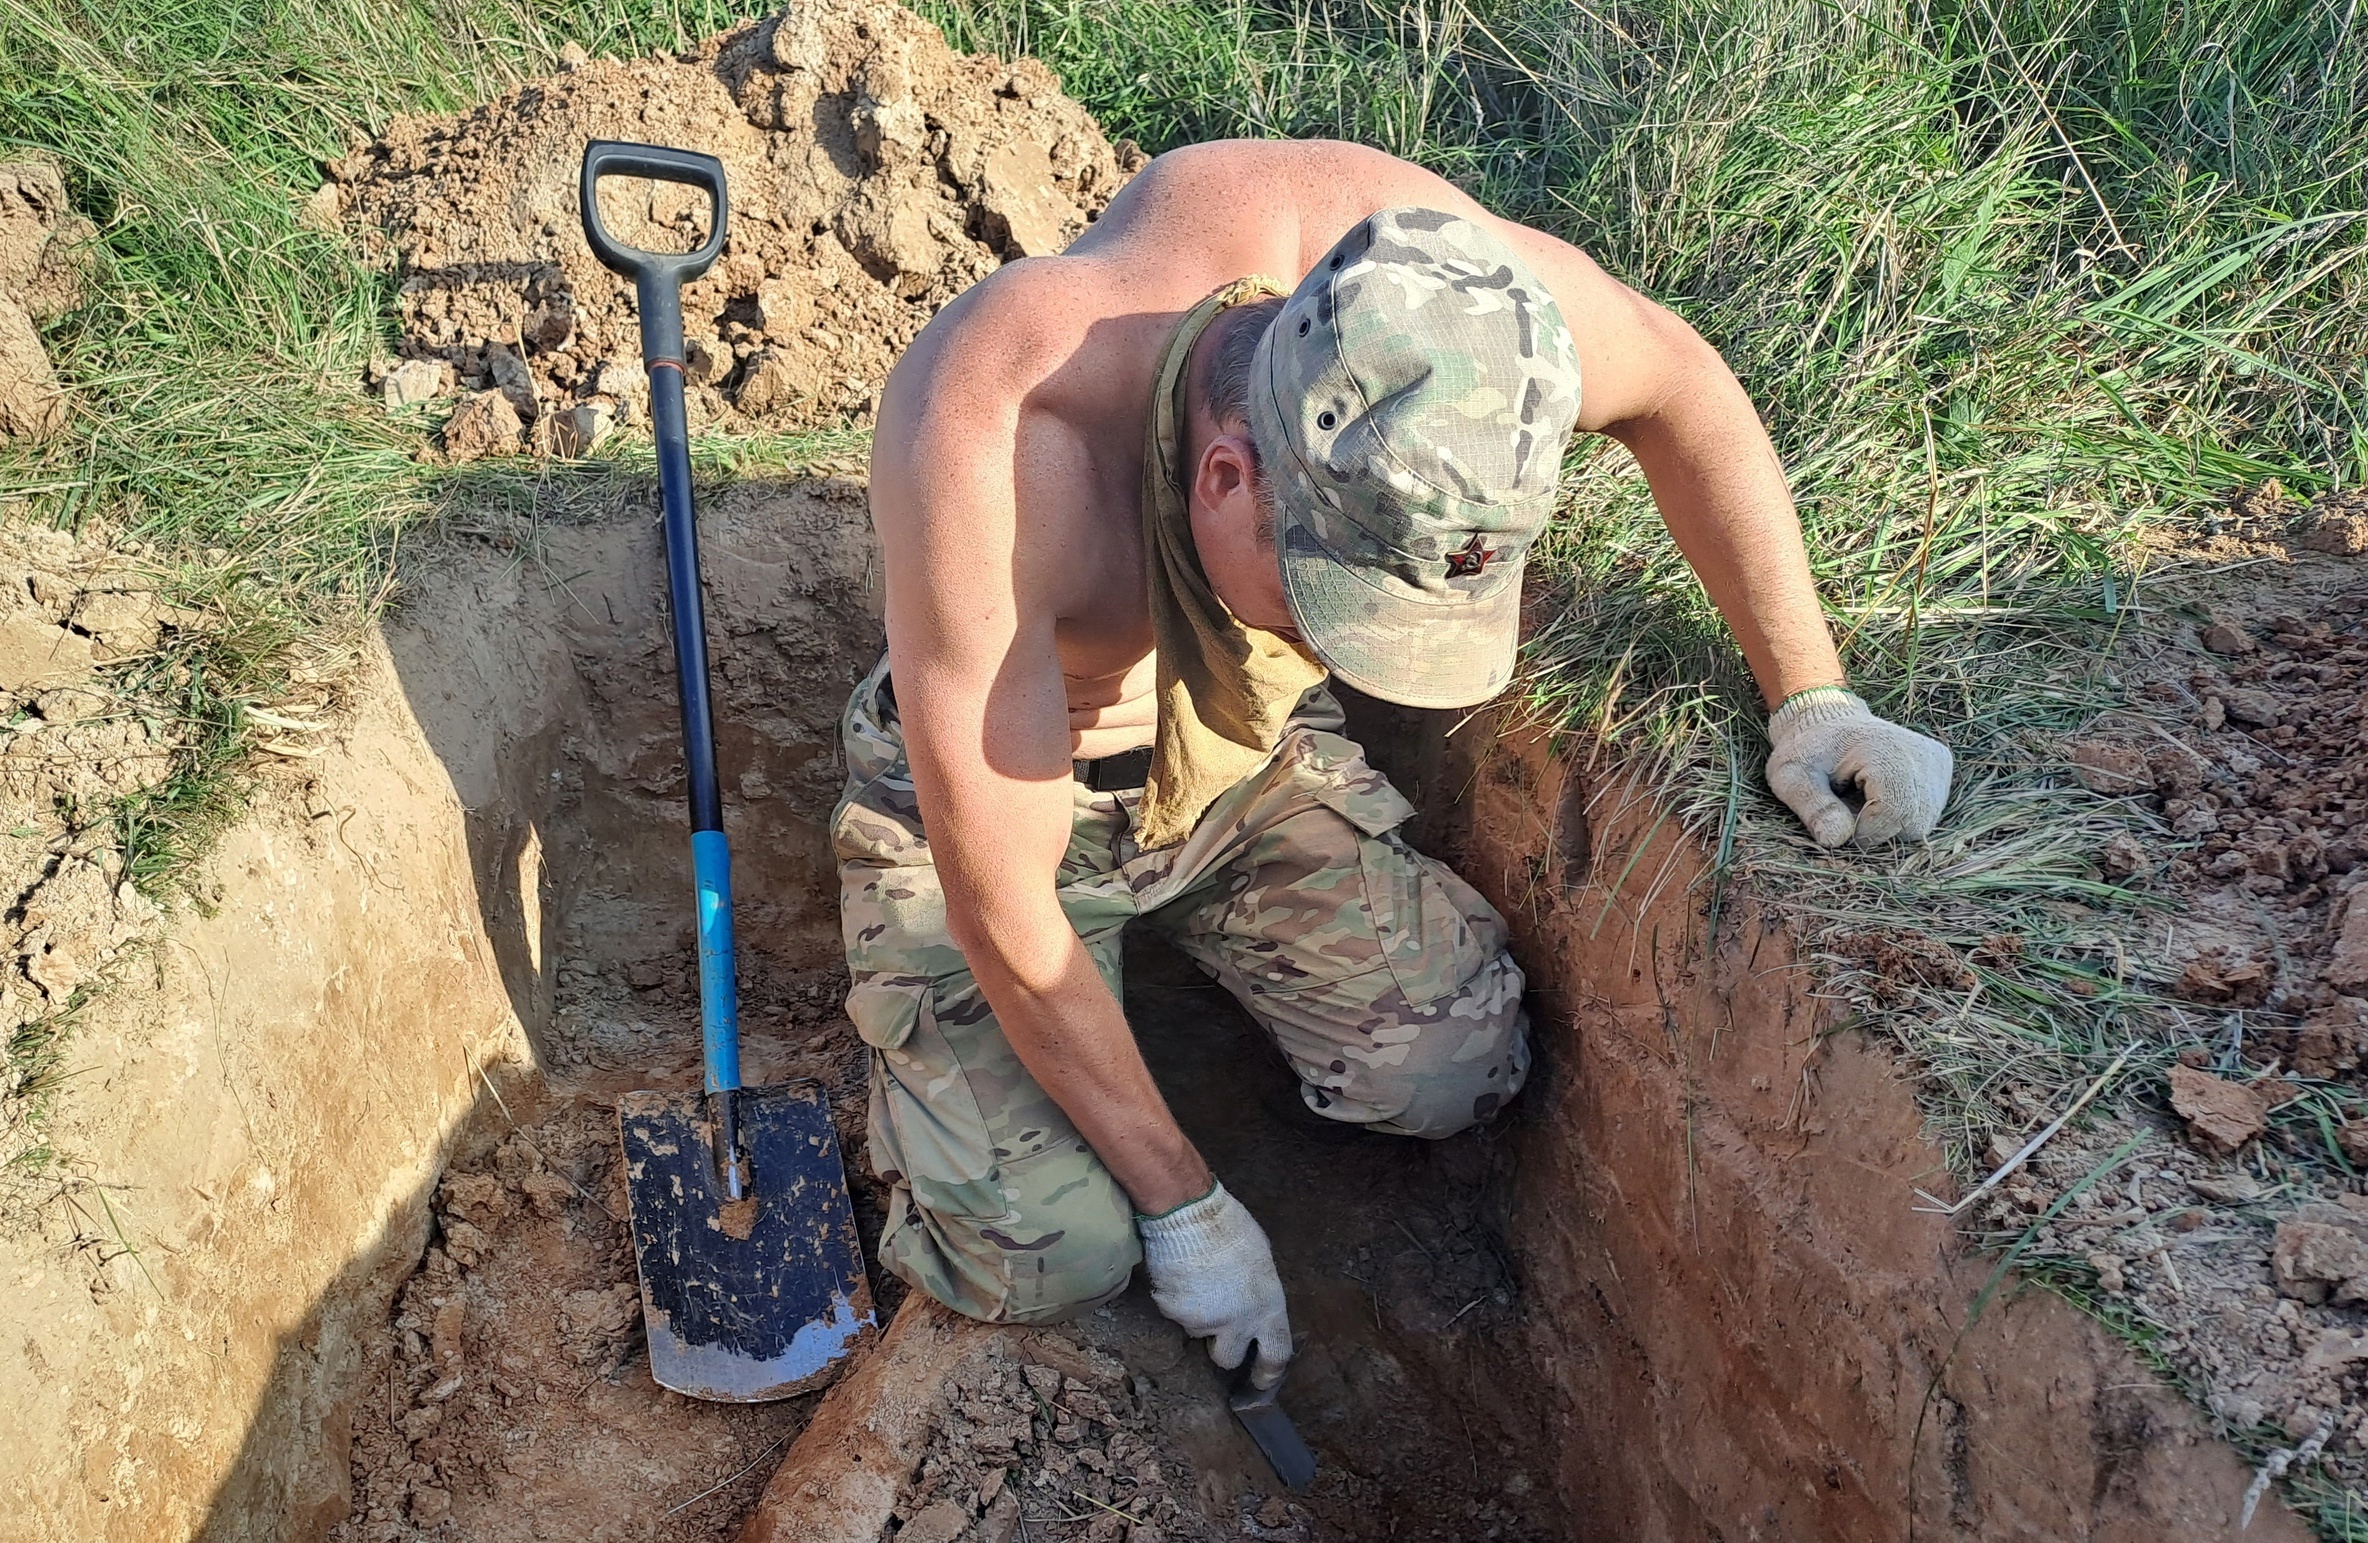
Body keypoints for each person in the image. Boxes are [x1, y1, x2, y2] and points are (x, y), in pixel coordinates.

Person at [833, 138, 1952, 1382]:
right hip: (1016, 796)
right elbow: (1006, 908)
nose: (1346, 657)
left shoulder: (1445, 305)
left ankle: (1179, 988)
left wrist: (1814, 699)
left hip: (1244, 765)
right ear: (1225, 474)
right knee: (1043, 1260)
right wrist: (1186, 1205)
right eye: (1325, 611)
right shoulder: (1002, 431)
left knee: (1452, 1070)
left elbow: (1683, 386)